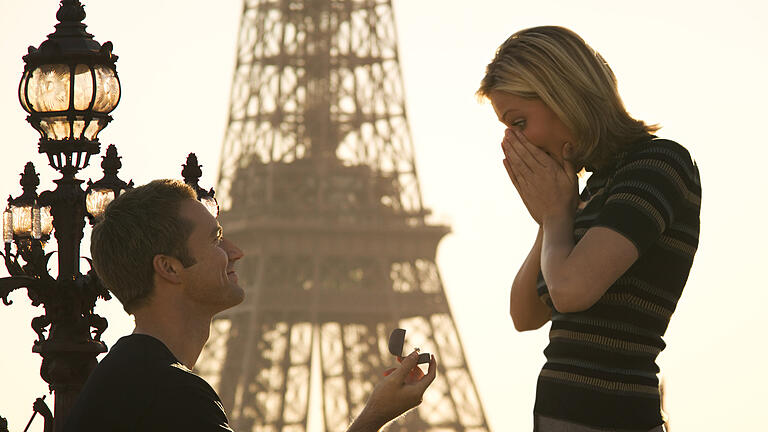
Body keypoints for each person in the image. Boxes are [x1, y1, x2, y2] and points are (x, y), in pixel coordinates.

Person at [64, 179, 436, 432]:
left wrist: (374, 413)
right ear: (169, 267)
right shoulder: (169, 393)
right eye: (216, 240)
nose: (236, 252)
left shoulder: (132, 378)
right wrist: (376, 416)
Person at [477, 26, 700, 432]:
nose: (515, 142)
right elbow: (524, 313)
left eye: (520, 122)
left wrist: (559, 215)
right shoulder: (590, 189)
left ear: (562, 95)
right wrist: (552, 216)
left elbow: (570, 291)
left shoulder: (658, 165)